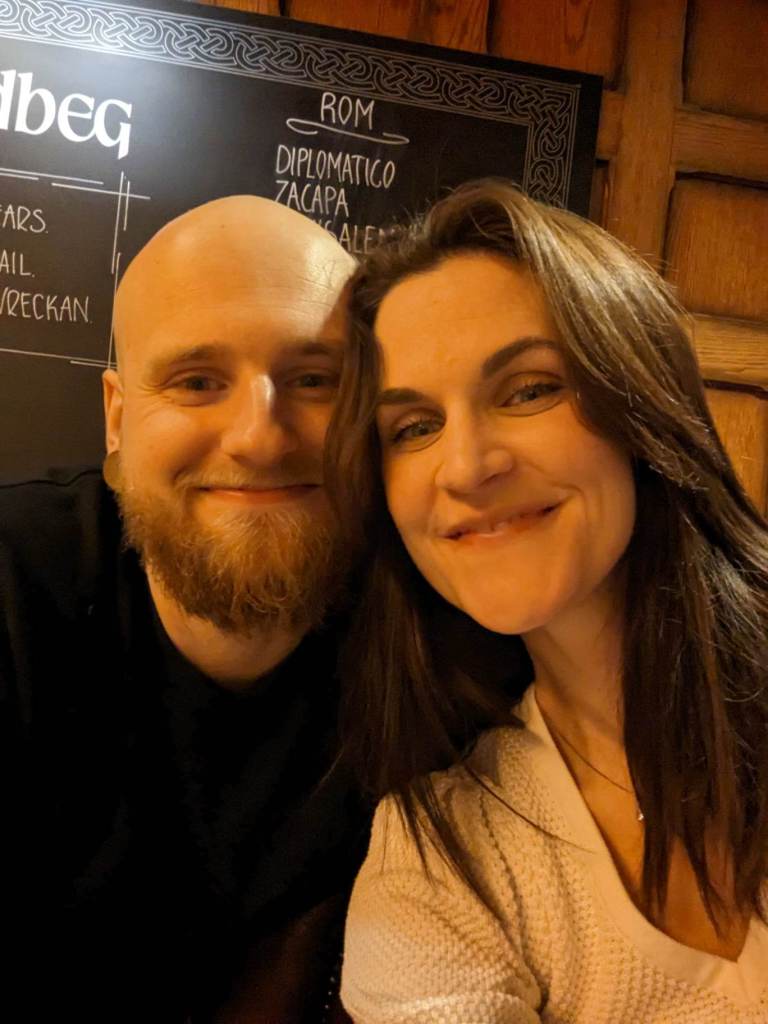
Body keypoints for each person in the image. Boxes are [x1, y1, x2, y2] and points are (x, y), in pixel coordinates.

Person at [326, 180, 768, 1022]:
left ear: (640, 403)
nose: (467, 467)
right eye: (413, 428)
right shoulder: (444, 854)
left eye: (528, 390)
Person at [0, 196, 370, 1022]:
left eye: (315, 380)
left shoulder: (428, 640)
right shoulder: (12, 589)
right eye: (197, 382)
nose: (259, 438)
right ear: (117, 418)